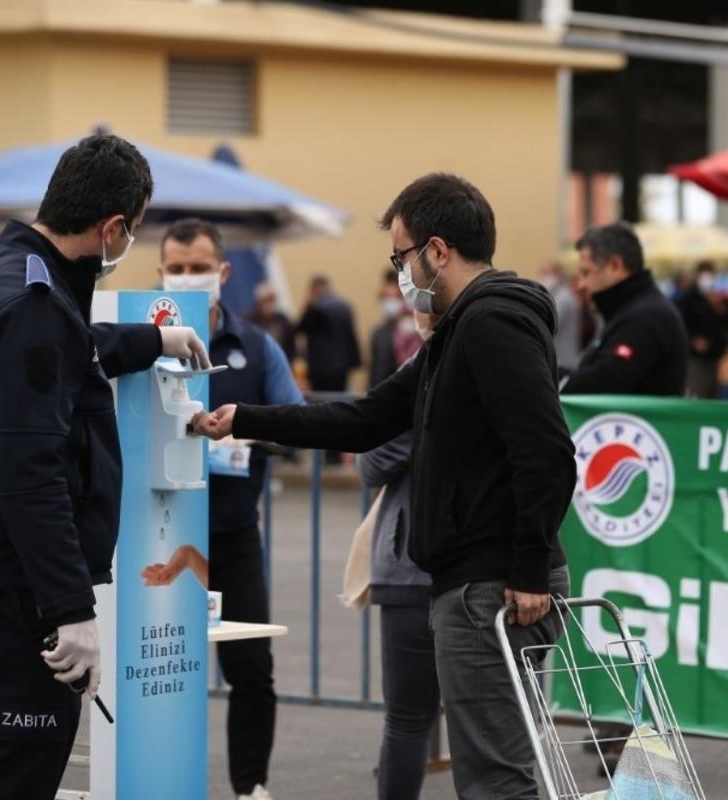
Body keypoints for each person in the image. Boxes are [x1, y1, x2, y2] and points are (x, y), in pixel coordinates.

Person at [194, 173, 575, 800]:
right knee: (492, 773)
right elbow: (367, 418)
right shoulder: (454, 335)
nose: (400, 274)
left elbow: (546, 451)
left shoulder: (490, 323)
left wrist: (529, 567)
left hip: (493, 586)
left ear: (437, 250)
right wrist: (247, 418)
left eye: (401, 257)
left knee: (495, 781)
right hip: (475, 582)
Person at [0, 134, 210, 800]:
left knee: (7, 772)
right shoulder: (35, 305)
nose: (128, 241)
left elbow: (65, 354)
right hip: (12, 593)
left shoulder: (5, 271)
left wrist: (154, 339)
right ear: (112, 228)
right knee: (17, 778)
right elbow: (30, 476)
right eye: (133, 230)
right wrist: (73, 610)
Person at [157, 217, 305, 800]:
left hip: (232, 533)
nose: (187, 277)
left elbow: (295, 423)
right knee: (156, 664)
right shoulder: (140, 338)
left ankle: (250, 787)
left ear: (222, 272)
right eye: (176, 268)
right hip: (157, 535)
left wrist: (241, 434)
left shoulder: (256, 346)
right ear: (160, 272)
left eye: (198, 268)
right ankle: (156, 779)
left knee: (250, 669)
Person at [356, 309, 435, 800]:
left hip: (414, 570)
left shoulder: (425, 366)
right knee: (496, 723)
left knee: (408, 719)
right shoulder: (518, 353)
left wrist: (414, 434)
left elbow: (372, 459)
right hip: (488, 566)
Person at [562, 223, 688, 396]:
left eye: (586, 273)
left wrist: (549, 379)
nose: (581, 285)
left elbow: (604, 381)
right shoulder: (633, 310)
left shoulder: (645, 318)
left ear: (615, 266)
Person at [297, 274, 361, 396]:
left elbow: (301, 328)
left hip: (322, 369)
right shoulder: (345, 306)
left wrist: (308, 305)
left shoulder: (316, 308)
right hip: (343, 366)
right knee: (340, 398)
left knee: (323, 401)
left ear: (315, 290)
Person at [676, 260, 727, 398]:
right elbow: (680, 323)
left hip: (714, 356)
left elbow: (724, 324)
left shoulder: (717, 297)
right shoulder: (688, 297)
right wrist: (693, 340)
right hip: (695, 358)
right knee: (697, 392)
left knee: (712, 394)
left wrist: (719, 309)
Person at [539, 261, 582, 376]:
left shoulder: (563, 298)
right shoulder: (560, 296)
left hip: (562, 361)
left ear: (558, 274)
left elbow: (550, 323)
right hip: (562, 359)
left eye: (547, 273)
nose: (544, 278)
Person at [368, 271, 406, 388]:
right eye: (385, 298)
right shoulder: (379, 332)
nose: (387, 303)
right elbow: (376, 370)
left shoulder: (411, 332)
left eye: (392, 298)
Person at [251, 281, 296, 361]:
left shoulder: (282, 319)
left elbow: (291, 343)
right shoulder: (252, 323)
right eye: (265, 301)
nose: (269, 305)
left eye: (272, 300)